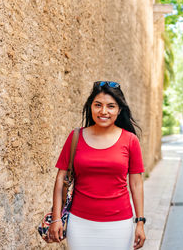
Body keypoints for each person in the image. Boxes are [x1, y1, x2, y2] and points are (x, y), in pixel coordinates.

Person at [49, 81, 146, 249]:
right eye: (98, 105)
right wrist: (56, 218)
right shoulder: (75, 137)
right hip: (79, 223)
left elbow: (136, 184)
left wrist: (140, 222)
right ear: (90, 106)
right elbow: (60, 180)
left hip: (119, 223)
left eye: (111, 106)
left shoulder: (130, 140)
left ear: (119, 110)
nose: (103, 111)